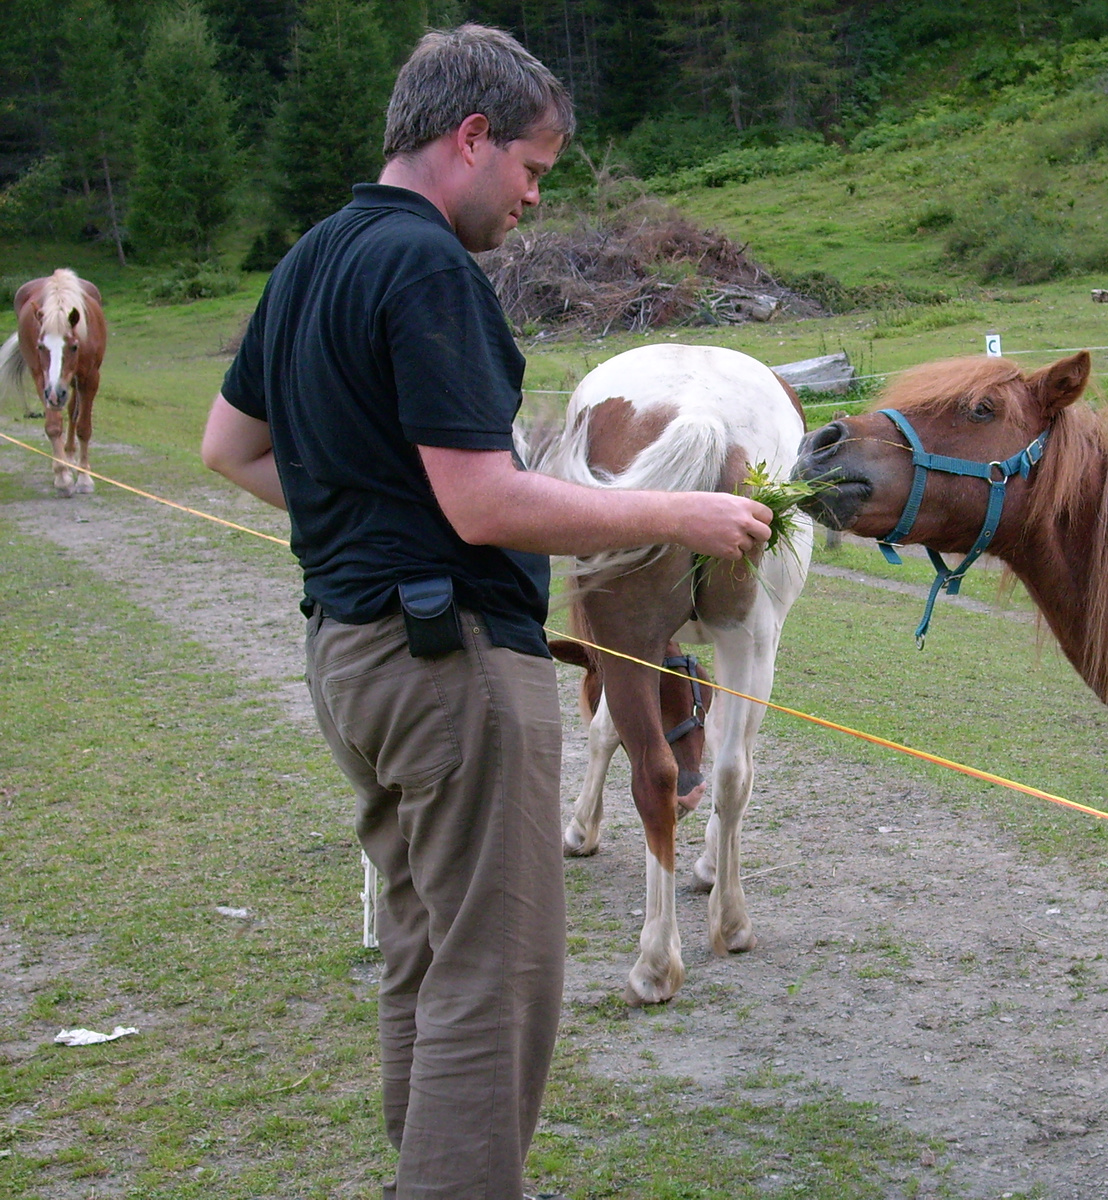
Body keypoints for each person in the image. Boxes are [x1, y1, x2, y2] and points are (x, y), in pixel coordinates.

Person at [200, 25, 771, 1200]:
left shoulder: (313, 255)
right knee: (494, 975)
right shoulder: (426, 271)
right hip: (448, 667)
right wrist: (687, 520)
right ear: (471, 137)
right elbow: (482, 499)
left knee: (425, 950)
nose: (530, 199)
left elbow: (230, 446)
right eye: (532, 169)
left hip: (350, 658)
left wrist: (361, 526)